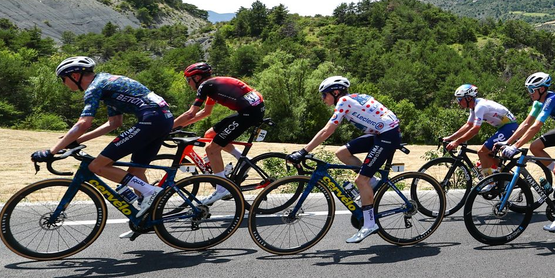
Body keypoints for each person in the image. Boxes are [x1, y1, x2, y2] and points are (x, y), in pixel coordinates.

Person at [33, 56, 174, 214]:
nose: (63, 83)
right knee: (136, 171)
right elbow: (114, 123)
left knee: (97, 166)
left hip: (151, 120)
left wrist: (51, 152)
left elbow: (83, 123)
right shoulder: (106, 84)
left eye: (63, 79)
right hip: (163, 119)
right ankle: (148, 215)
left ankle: (151, 192)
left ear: (75, 76)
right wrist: (77, 141)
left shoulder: (94, 88)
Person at [287, 76, 401, 244]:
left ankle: (369, 224)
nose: (323, 99)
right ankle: (372, 183)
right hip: (382, 132)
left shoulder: (344, 102)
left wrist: (303, 151)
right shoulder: (353, 98)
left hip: (387, 135)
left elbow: (327, 131)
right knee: (342, 153)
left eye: (324, 95)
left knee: (360, 181)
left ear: (335, 92)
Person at [498, 72, 555, 233]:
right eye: (528, 90)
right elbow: (526, 124)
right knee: (535, 147)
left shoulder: (551, 100)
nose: (529, 93)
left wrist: (516, 146)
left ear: (541, 89)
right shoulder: (538, 102)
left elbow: (536, 127)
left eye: (531, 90)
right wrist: (508, 143)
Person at [171, 62, 266, 204]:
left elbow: (191, 113)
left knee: (211, 149)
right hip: (250, 110)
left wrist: (169, 127)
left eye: (188, 80)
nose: (188, 83)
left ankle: (222, 189)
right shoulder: (212, 86)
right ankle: (244, 161)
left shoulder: (205, 86)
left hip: (249, 113)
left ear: (197, 77)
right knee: (209, 135)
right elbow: (205, 112)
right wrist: (180, 126)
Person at [442, 83, 518, 175]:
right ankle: (504, 177)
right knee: (489, 155)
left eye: (460, 99)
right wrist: (450, 138)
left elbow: (475, 130)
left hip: (509, 127)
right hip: (504, 128)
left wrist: (457, 142)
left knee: (482, 152)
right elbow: (468, 125)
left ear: (468, 98)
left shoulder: (480, 107)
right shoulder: (474, 107)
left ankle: (490, 181)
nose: (458, 102)